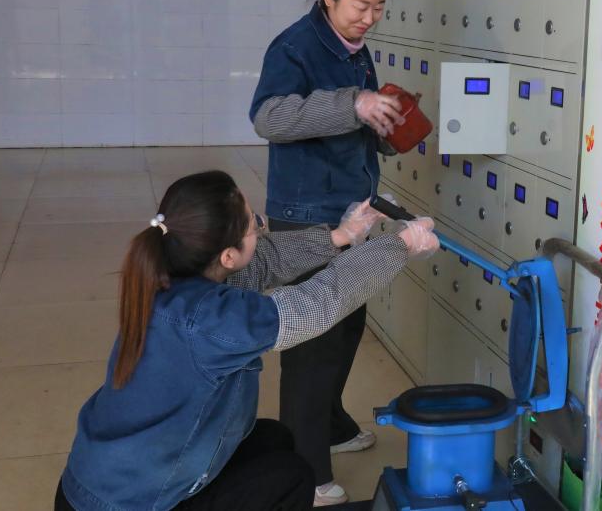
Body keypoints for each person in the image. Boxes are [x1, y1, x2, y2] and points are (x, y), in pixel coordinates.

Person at [54, 170, 438, 511]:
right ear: (226, 255)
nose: (261, 227)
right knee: (292, 478)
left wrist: (343, 235)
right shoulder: (211, 319)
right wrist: (399, 246)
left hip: (107, 483)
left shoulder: (171, 275)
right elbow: (317, 302)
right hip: (134, 503)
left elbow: (263, 260)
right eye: (254, 225)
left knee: (272, 439)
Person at [249, 0, 404, 506]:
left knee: (346, 325)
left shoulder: (354, 47)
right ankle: (306, 467)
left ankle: (331, 422)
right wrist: (352, 105)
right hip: (306, 211)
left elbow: (353, 118)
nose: (370, 18)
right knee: (313, 341)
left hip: (350, 205)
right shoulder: (294, 47)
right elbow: (268, 117)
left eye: (379, 8)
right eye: (360, 6)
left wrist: (382, 126)